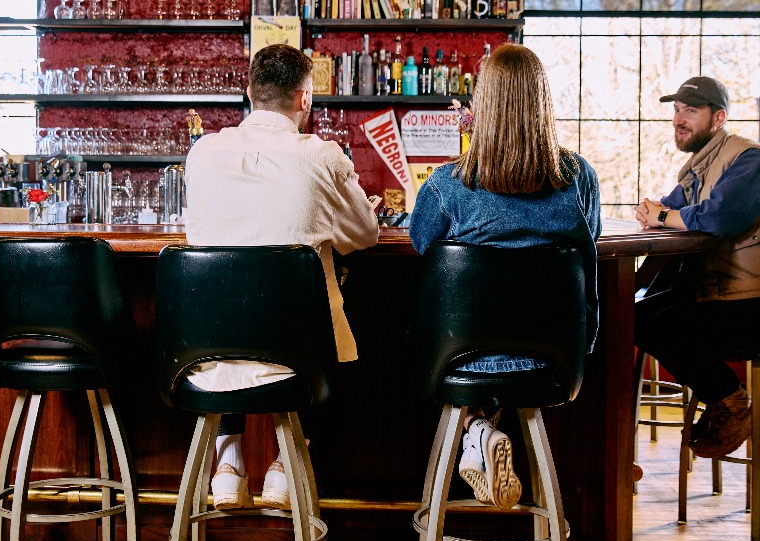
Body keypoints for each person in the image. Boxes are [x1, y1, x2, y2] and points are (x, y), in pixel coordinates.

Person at [185, 44, 380, 509]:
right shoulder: (321, 156)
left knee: (236, 299)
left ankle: (228, 461)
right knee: (309, 293)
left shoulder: (203, 152)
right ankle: (283, 464)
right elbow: (365, 235)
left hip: (203, 349)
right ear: (305, 99)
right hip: (299, 357)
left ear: (249, 92)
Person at [409, 44, 601, 509]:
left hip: (458, 361)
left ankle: (476, 429)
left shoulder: (446, 183)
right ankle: (481, 430)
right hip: (554, 360)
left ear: (482, 105)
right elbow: (590, 239)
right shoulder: (579, 178)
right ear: (543, 103)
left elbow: (420, 243)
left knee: (429, 331)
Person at [635, 76, 760, 459]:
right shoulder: (698, 169)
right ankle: (720, 397)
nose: (678, 120)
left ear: (718, 118)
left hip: (748, 302)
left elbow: (717, 217)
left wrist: (662, 214)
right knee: (636, 315)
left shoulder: (748, 159)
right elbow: (666, 211)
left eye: (690, 110)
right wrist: (656, 213)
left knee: (661, 323)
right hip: (716, 292)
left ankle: (731, 401)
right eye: (676, 111)